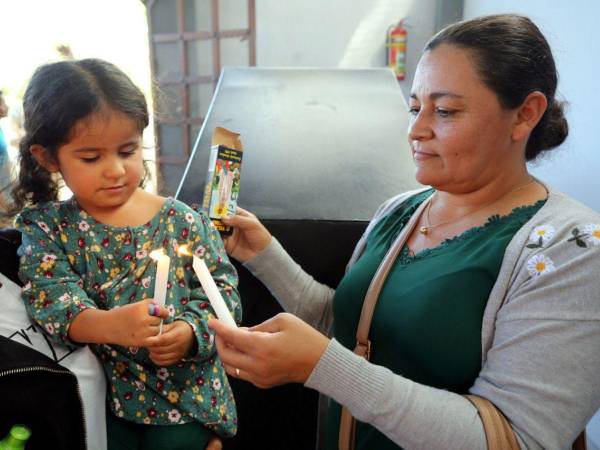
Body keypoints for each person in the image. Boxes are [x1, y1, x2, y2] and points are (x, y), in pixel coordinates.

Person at [208, 14, 600, 450]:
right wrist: (264, 254)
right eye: (415, 108)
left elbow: (515, 439)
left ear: (525, 114)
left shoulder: (573, 248)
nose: (415, 130)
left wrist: (322, 367)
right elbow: (347, 330)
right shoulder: (400, 211)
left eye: (446, 111)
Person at [10, 59, 240, 450]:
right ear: (49, 158)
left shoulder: (182, 221)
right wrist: (109, 325)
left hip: (185, 403)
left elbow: (223, 296)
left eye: (128, 150)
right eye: (91, 157)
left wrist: (187, 333)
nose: (116, 170)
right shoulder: (49, 228)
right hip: (102, 403)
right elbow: (50, 297)